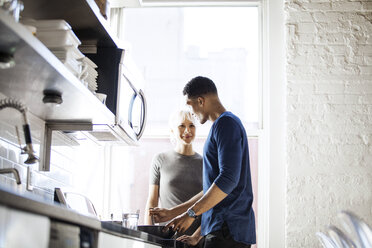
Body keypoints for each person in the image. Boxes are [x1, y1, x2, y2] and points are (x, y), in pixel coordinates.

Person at [150, 76, 256, 248]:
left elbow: (228, 180)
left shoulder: (226, 124)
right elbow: (212, 189)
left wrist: (191, 214)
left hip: (228, 231)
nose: (191, 113)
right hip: (220, 230)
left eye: (190, 105)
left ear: (200, 101)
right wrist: (197, 233)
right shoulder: (222, 126)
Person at [144, 109, 204, 247]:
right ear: (172, 130)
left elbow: (210, 204)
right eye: (181, 126)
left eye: (192, 125)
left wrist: (198, 237)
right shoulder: (160, 160)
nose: (187, 130)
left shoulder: (206, 164)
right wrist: (149, 240)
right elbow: (152, 202)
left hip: (197, 240)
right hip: (167, 238)